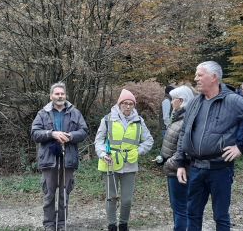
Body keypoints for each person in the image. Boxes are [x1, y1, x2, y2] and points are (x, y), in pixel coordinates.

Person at [176, 61, 243, 231]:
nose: (195, 78)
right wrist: (181, 162)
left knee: (220, 217)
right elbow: (184, 132)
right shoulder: (194, 103)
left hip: (220, 169)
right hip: (195, 168)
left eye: (199, 74)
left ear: (214, 77)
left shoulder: (232, 101)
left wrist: (242, 147)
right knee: (192, 213)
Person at [31, 82, 88, 231]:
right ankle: (49, 225)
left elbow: (83, 131)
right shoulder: (42, 113)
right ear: (51, 96)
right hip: (49, 160)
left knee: (64, 195)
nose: (60, 96)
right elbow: (35, 133)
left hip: (68, 159)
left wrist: (70, 136)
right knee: (49, 195)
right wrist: (52, 134)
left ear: (65, 95)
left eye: (62, 93)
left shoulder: (75, 112)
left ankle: (62, 225)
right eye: (57, 94)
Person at [94, 89, 154, 231]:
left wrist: (138, 151)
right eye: (125, 103)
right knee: (111, 197)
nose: (128, 106)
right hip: (110, 163)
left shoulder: (139, 121)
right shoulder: (108, 119)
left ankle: (123, 224)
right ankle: (112, 225)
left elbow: (149, 140)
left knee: (127, 199)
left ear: (134, 105)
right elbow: (99, 140)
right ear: (119, 104)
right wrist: (103, 154)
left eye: (131, 104)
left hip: (130, 164)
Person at [160, 86, 194, 231]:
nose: (171, 102)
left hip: (180, 171)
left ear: (180, 101)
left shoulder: (186, 121)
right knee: (178, 207)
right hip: (174, 170)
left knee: (181, 208)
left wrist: (169, 163)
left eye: (173, 99)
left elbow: (185, 150)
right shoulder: (178, 117)